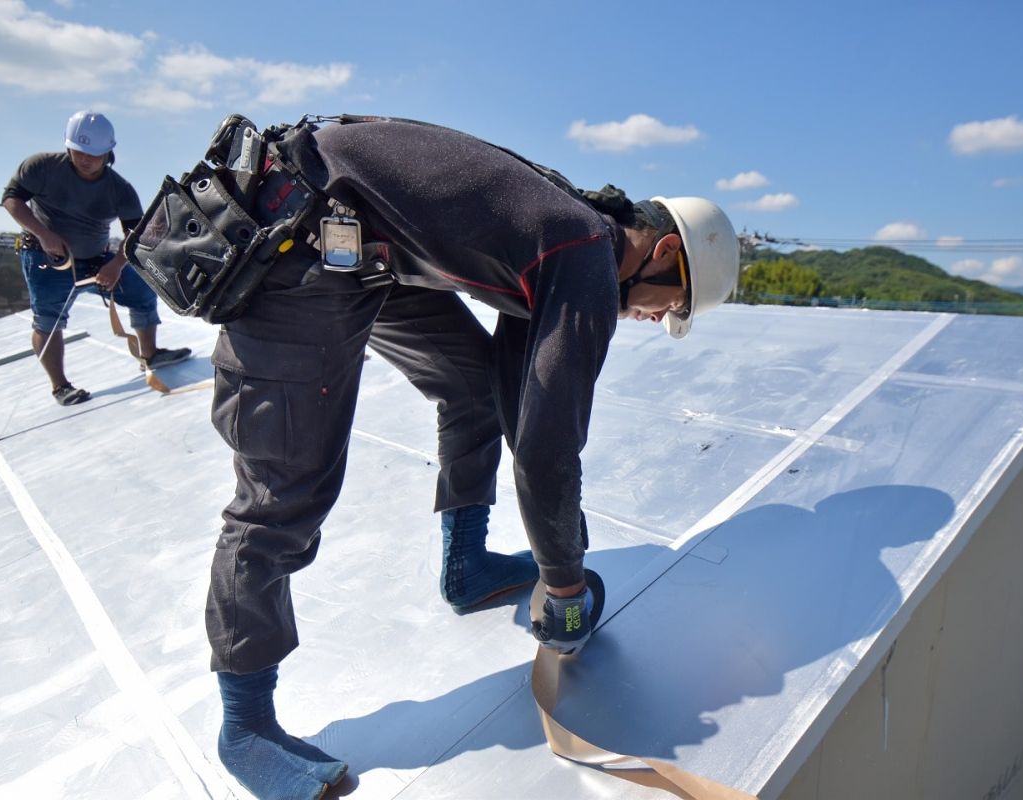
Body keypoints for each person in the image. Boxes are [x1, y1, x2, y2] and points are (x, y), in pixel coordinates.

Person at [165, 115, 738, 800]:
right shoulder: (587, 256)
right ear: (664, 249)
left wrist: (562, 556)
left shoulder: (570, 231)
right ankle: (246, 727)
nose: (655, 319)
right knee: (282, 494)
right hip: (303, 245)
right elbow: (550, 451)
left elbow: (520, 401)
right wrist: (562, 585)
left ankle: (465, 566)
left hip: (364, 245)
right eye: (670, 303)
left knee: (468, 388)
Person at [2, 111, 190, 405]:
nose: (84, 159)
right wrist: (44, 234)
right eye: (78, 151)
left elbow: (136, 235)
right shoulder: (41, 167)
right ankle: (60, 386)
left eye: (93, 154)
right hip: (46, 261)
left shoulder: (120, 190)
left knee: (142, 291)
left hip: (97, 261)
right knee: (49, 321)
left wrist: (116, 265)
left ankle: (150, 354)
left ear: (108, 153)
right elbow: (12, 199)